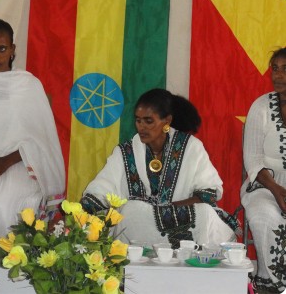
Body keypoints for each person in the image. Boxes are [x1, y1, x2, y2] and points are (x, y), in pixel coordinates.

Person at [81, 88, 238, 250]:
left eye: (148, 121)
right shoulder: (125, 151)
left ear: (166, 121)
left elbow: (208, 193)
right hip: (140, 222)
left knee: (205, 213)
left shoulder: (191, 147)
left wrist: (166, 209)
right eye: (138, 120)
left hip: (181, 218)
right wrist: (84, 209)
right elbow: (102, 186)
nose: (141, 127)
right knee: (130, 210)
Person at [0, 18, 65, 293]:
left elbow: (39, 138)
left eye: (1, 48)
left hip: (19, 163)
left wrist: (6, 160)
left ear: (13, 49)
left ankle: (8, 281)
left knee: (1, 206)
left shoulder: (27, 85)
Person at [240, 47, 286, 294]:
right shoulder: (261, 107)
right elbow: (253, 158)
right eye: (275, 69)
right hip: (265, 185)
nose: (277, 75)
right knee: (262, 216)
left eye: (285, 69)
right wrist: (278, 190)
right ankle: (272, 285)